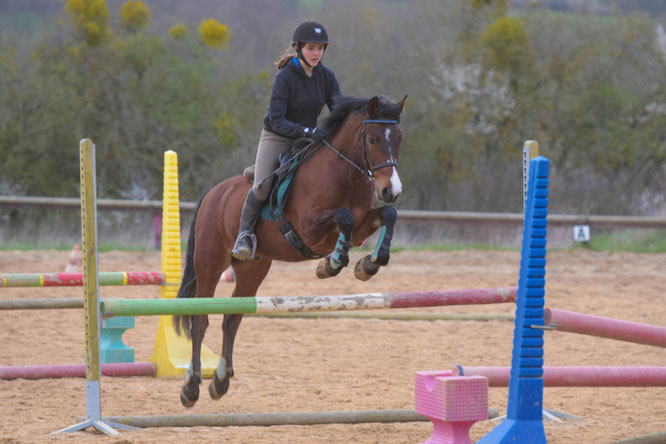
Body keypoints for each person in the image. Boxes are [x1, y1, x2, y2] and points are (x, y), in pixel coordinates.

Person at [232, 21, 342, 260]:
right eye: (311, 48)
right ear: (299, 48)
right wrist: (308, 131)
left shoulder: (327, 77)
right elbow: (277, 119)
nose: (316, 53)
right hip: (277, 135)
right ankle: (244, 235)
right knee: (261, 186)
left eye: (320, 48)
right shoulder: (285, 77)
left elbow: (338, 111)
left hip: (308, 138)